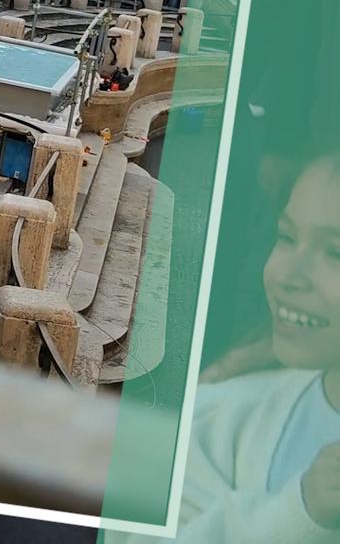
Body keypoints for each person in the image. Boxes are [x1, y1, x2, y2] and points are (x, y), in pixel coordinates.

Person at [149, 154, 340, 542]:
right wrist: (300, 515)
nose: (287, 275)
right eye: (287, 236)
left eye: (335, 253)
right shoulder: (218, 418)